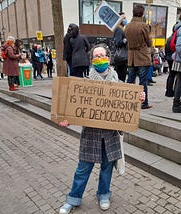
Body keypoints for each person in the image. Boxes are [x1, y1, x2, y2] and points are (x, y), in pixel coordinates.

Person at [58, 44, 145, 214]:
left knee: (106, 168)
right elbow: (74, 106)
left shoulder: (119, 83)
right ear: (91, 60)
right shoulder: (84, 83)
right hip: (91, 134)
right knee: (83, 169)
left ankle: (103, 194)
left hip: (110, 135)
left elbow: (128, 104)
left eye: (101, 55)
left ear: (108, 58)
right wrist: (67, 118)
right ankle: (73, 199)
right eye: (95, 56)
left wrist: (138, 98)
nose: (99, 58)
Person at [125, 4, 153, 109]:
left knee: (130, 80)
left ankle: (128, 101)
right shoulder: (143, 26)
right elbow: (149, 42)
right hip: (142, 56)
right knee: (142, 82)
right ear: (142, 13)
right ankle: (143, 103)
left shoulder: (127, 26)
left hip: (131, 57)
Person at [113, 12, 128, 82]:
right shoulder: (119, 30)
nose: (125, 20)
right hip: (121, 58)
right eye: (123, 18)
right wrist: (125, 41)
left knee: (121, 76)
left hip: (122, 58)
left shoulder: (122, 29)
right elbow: (118, 43)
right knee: (120, 77)